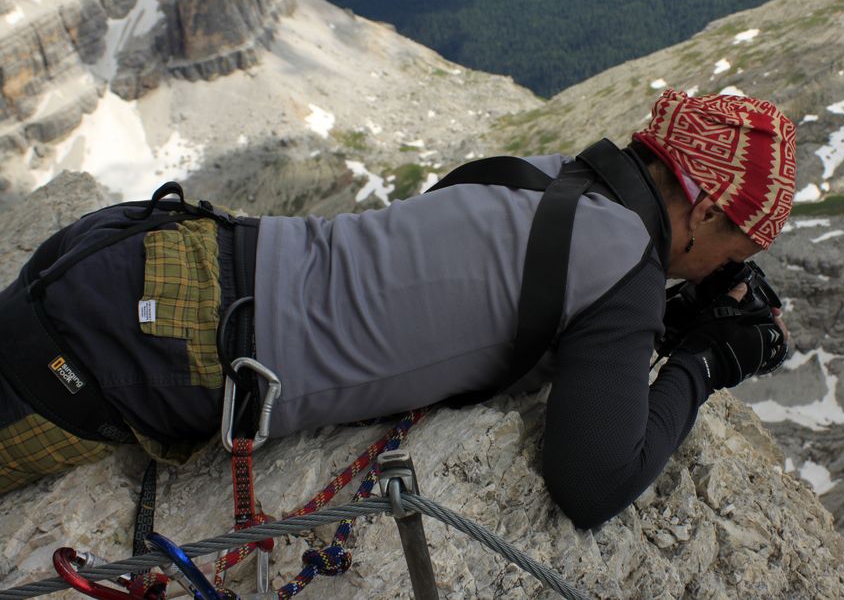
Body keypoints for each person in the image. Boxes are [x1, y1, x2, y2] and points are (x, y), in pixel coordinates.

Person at [0, 89, 796, 529]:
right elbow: (591, 483)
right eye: (740, 248)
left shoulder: (544, 176)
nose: (731, 265)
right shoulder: (623, 271)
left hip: (147, 254)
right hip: (145, 344)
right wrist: (703, 362)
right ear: (709, 214)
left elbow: (487, 291)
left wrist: (657, 314)